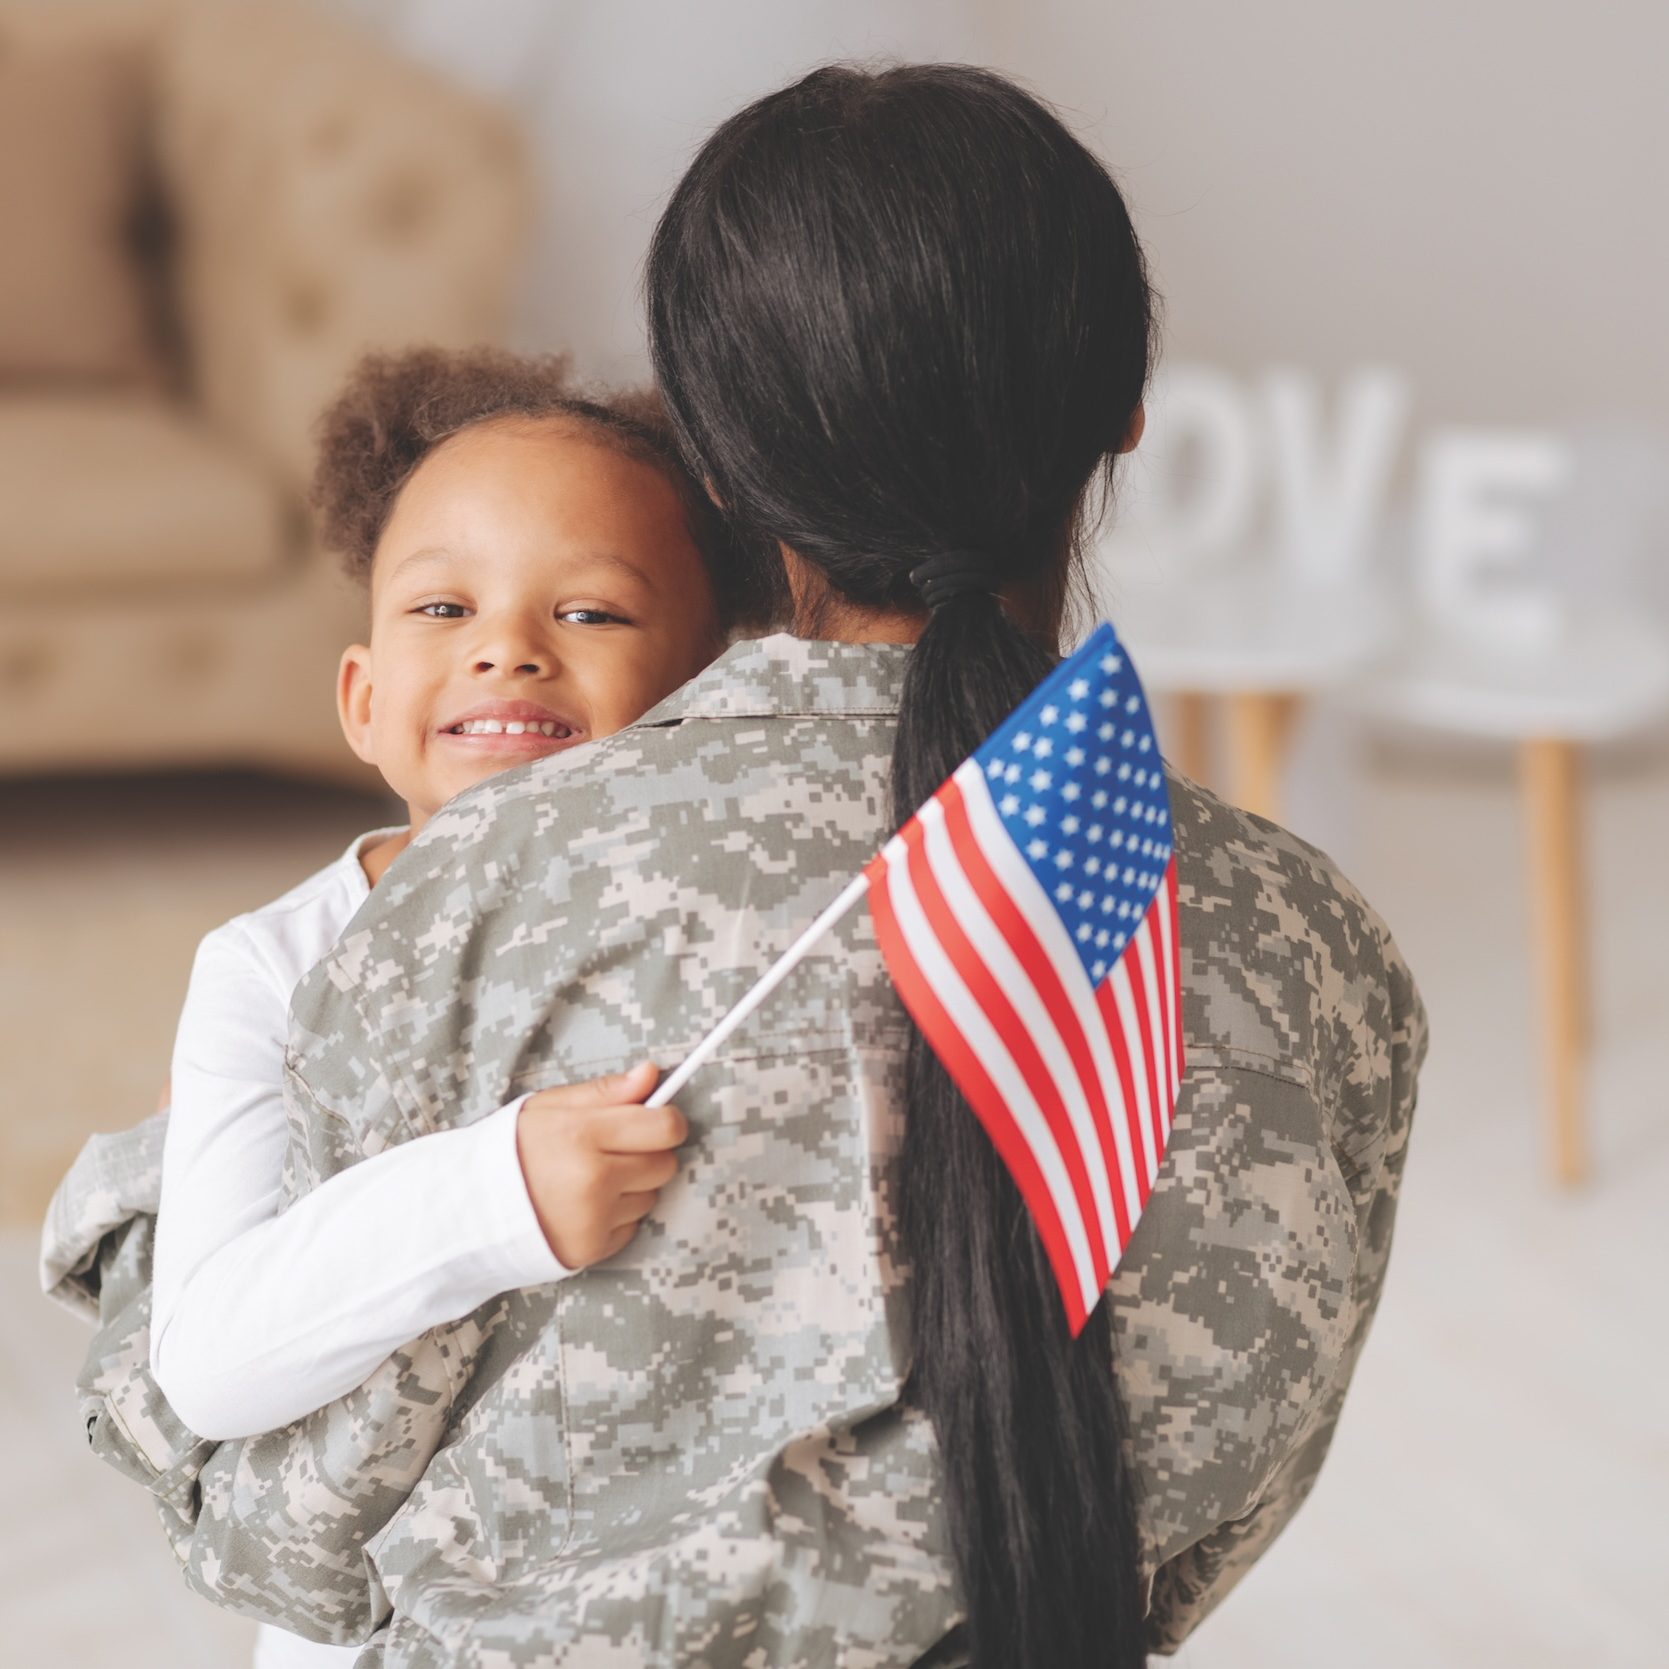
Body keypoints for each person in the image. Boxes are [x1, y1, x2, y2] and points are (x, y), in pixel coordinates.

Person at [46, 65, 1426, 1667]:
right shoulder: (1322, 954)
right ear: (1122, 404)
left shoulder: (464, 903)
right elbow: (1219, 1488)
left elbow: (291, 1531)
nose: (502, 657)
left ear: (709, 453)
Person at [72, 344, 753, 1669]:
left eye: (592, 614)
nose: (508, 647)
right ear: (363, 701)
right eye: (443, 609)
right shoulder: (271, 968)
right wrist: (498, 1192)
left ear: (701, 696)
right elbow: (206, 1358)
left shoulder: (709, 946)